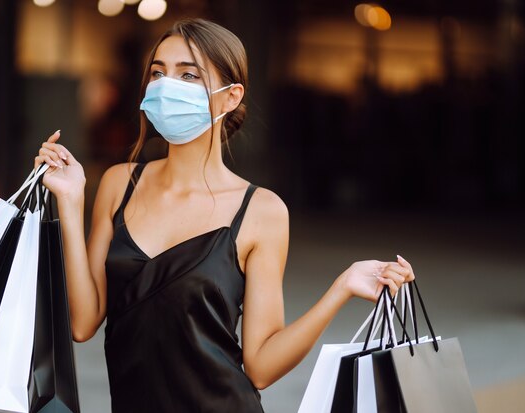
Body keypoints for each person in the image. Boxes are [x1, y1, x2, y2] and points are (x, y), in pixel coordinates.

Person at [34, 18, 415, 413]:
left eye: (188, 75)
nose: (167, 86)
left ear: (231, 97)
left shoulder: (261, 210)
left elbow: (262, 366)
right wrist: (71, 200)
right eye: (158, 73)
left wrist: (342, 287)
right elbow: (82, 323)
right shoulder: (119, 184)